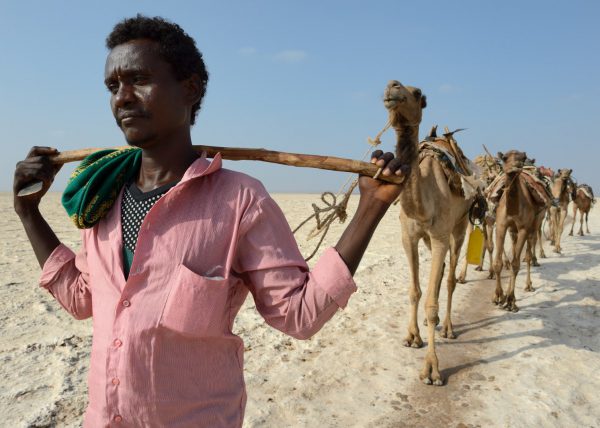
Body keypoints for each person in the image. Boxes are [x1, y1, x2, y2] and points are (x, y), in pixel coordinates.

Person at [13, 15, 408, 428]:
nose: (123, 97)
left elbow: (298, 315)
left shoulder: (240, 200)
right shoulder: (104, 194)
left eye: (139, 80)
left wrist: (370, 208)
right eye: (113, 86)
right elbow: (81, 299)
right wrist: (28, 212)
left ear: (191, 88)